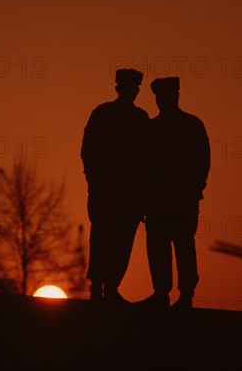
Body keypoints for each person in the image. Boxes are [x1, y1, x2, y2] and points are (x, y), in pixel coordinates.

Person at [140, 77, 210, 310]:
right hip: (161, 200)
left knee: (182, 245)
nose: (163, 101)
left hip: (180, 199)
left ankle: (184, 294)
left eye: (167, 96)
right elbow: (143, 167)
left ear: (175, 96)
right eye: (160, 97)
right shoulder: (154, 128)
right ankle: (162, 293)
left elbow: (202, 161)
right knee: (161, 246)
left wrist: (194, 189)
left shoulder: (190, 126)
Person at [81, 68, 149, 306]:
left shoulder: (140, 119)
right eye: (128, 88)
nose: (132, 92)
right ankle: (98, 288)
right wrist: (94, 180)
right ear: (119, 89)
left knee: (121, 241)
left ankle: (110, 288)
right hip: (106, 191)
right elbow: (88, 150)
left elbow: (147, 160)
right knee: (102, 238)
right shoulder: (103, 114)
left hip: (128, 195)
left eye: (135, 89)